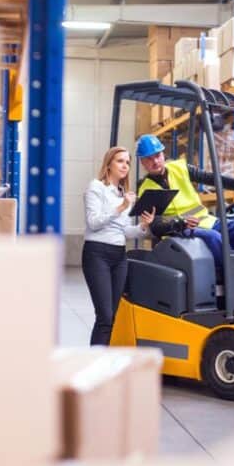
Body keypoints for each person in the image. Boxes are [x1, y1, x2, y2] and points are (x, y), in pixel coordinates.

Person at [135, 134, 234, 267]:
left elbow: (211, 178)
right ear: (142, 162)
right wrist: (180, 223)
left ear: (163, 154)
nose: (155, 161)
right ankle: (233, 276)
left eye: (157, 155)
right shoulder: (145, 189)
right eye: (149, 158)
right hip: (178, 230)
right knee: (213, 237)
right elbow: (156, 225)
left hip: (205, 220)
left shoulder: (180, 168)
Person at [83, 146, 156, 346]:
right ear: (108, 164)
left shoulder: (123, 194)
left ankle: (103, 365)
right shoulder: (96, 187)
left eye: (127, 162)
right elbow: (94, 222)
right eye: (120, 161)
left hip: (119, 256)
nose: (125, 166)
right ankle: (95, 368)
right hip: (97, 253)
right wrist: (122, 207)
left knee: (113, 317)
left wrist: (143, 226)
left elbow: (123, 230)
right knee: (104, 317)